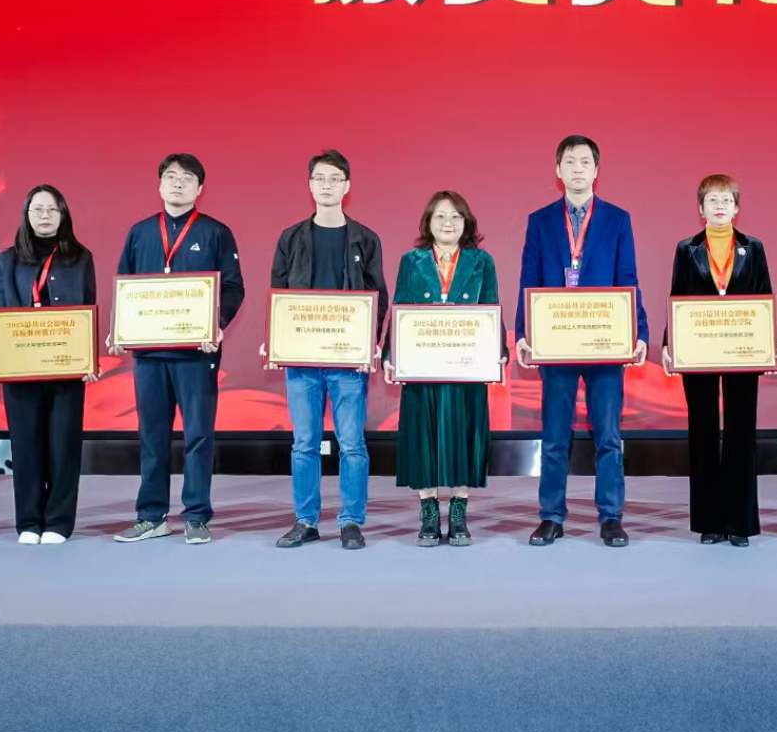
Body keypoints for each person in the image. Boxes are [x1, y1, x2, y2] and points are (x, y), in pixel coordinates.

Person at [516, 133, 648, 547]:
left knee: (608, 436)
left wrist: (639, 331)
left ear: (596, 170)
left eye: (585, 162)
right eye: (570, 162)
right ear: (558, 170)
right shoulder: (540, 221)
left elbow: (628, 278)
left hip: (604, 344)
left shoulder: (618, 219)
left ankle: (611, 517)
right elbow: (529, 279)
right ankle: (551, 516)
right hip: (556, 343)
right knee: (555, 436)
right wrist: (524, 333)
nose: (577, 169)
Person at [110, 153, 245, 545]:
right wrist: (120, 329)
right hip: (150, 356)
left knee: (198, 436)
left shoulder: (216, 232)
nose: (178, 183)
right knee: (151, 436)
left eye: (187, 178)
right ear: (159, 185)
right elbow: (126, 287)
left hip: (196, 355)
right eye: (170, 176)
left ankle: (197, 515)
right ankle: (151, 515)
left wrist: (216, 324)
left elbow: (233, 288)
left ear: (200, 188)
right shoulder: (140, 233)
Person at [263, 150, 388, 551]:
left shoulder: (366, 239)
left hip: (347, 360)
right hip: (302, 360)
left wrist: (372, 342)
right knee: (304, 443)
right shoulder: (291, 238)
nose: (327, 185)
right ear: (310, 185)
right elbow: (279, 295)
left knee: (352, 443)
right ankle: (306, 520)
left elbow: (377, 298)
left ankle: (351, 521)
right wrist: (276, 336)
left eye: (335, 178)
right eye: (320, 178)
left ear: (347, 186)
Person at [663, 173, 777, 547]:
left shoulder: (754, 248)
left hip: (743, 350)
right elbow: (677, 297)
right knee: (703, 429)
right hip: (699, 351)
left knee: (742, 430)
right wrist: (669, 344)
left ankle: (740, 523)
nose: (720, 206)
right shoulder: (687, 249)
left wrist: (772, 342)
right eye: (712, 200)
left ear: (737, 207)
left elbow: (764, 295)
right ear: (701, 208)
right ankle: (710, 521)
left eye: (726, 200)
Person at [0, 184, 99, 546]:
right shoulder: (7, 260)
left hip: (67, 368)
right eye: (37, 209)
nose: (45, 216)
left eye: (52, 209)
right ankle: (28, 521)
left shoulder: (80, 258)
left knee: (64, 446)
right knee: (25, 446)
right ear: (26, 215)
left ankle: (59, 522)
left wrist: (88, 358)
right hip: (20, 369)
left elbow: (89, 309)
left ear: (63, 215)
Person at [390, 190, 498, 546]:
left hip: (467, 367)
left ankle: (459, 514)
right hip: (422, 366)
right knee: (423, 436)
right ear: (428, 222)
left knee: (465, 436)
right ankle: (429, 515)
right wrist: (393, 355)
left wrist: (497, 353)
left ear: (466, 223)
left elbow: (491, 308)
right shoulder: (412, 261)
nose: (447, 223)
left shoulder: (482, 262)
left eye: (455, 216)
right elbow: (400, 309)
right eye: (440, 216)